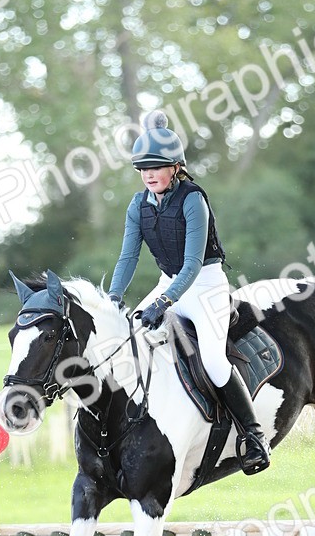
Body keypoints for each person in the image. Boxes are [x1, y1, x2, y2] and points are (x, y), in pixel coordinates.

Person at [108, 110, 270, 474]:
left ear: (176, 167)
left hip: (205, 284)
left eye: (156, 167)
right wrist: (114, 298)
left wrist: (164, 302)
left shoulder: (193, 199)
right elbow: (128, 257)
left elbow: (193, 264)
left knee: (213, 361)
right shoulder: (137, 205)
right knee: (129, 340)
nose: (149, 174)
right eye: (143, 168)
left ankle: (253, 435)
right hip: (168, 281)